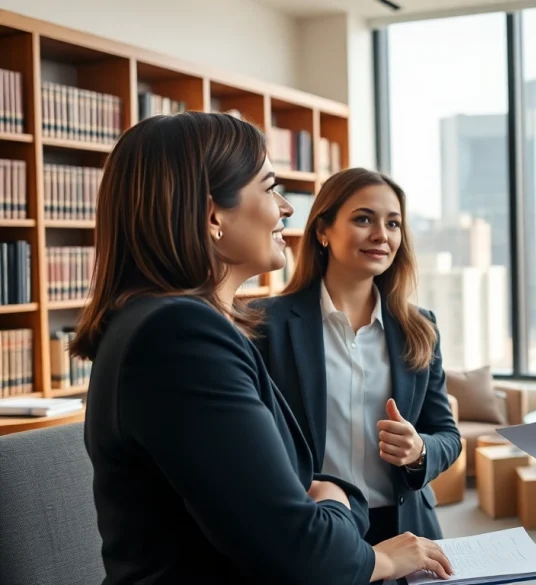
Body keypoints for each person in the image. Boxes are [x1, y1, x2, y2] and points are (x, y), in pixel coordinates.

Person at [72, 112, 454, 584]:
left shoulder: (171, 324)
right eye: (270, 188)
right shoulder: (183, 335)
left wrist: (325, 497)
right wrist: (342, 503)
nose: (286, 208)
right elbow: (301, 550)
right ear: (213, 214)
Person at [251, 167, 461, 545]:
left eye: (393, 224)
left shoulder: (420, 326)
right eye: (364, 219)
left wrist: (419, 451)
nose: (382, 235)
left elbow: (447, 434)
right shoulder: (267, 324)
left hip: (406, 526)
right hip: (315, 527)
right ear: (322, 231)